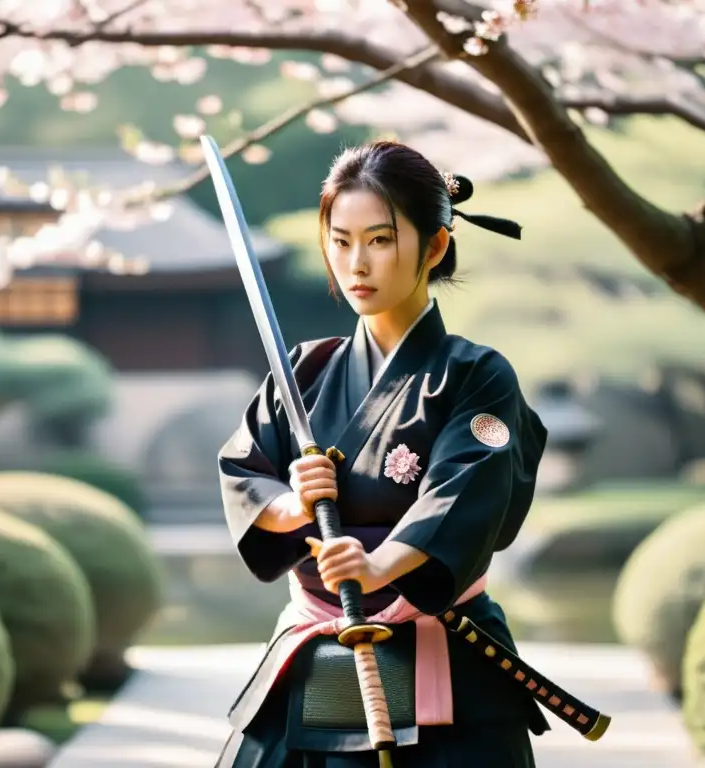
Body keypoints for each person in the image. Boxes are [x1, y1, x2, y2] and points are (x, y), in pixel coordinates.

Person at [215, 139, 550, 768]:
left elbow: (465, 493)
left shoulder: (475, 376)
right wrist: (292, 505)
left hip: (447, 663)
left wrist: (378, 565)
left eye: (379, 239)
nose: (355, 264)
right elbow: (243, 469)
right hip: (316, 651)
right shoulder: (304, 371)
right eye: (339, 241)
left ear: (435, 246)